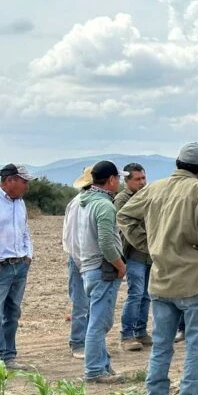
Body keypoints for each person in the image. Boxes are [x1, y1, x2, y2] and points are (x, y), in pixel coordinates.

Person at [118, 142, 198, 395]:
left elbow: (124, 215)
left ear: (177, 163)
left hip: (161, 280)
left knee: (161, 347)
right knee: (196, 347)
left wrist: (148, 244)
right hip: (195, 280)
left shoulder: (154, 188)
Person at [77, 160, 127, 383]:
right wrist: (120, 265)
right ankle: (95, 371)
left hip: (89, 267)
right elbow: (106, 242)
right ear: (111, 180)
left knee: (95, 321)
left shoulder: (85, 202)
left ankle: (103, 366)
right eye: (119, 178)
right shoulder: (105, 205)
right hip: (102, 269)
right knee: (99, 323)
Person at [0, 164, 34, 369]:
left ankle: (7, 356)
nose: (27, 186)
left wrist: (28, 254)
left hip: (19, 265)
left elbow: (24, 230)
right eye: (24, 182)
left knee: (12, 313)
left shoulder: (20, 202)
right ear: (10, 180)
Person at [115, 162, 153, 352]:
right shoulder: (122, 199)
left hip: (149, 254)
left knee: (146, 295)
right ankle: (127, 335)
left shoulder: (147, 196)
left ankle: (140, 331)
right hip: (133, 253)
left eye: (143, 178)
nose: (142, 182)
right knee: (136, 294)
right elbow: (128, 226)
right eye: (137, 179)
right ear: (127, 180)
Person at [62, 167, 93, 360]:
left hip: (87, 261)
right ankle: (78, 343)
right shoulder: (78, 204)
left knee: (89, 304)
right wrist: (82, 263)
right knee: (81, 304)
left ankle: (88, 341)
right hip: (81, 261)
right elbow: (72, 238)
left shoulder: (90, 202)